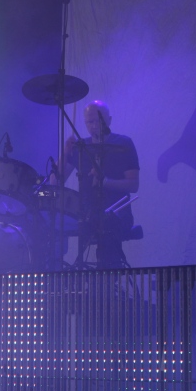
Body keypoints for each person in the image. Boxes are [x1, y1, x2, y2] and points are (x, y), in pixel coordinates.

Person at [54, 100, 140, 268]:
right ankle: (61, 272)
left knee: (107, 231)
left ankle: (106, 275)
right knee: (54, 223)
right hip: (85, 213)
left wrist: (106, 182)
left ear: (109, 120)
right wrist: (65, 153)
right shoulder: (81, 147)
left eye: (98, 120)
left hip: (117, 212)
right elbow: (56, 181)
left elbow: (133, 184)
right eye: (90, 121)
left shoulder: (124, 143)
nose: (94, 125)